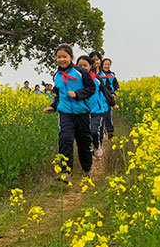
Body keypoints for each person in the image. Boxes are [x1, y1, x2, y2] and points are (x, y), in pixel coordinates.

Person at [43, 43, 95, 176]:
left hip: (82, 113)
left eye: (64, 56)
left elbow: (91, 89)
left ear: (71, 57)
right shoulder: (57, 76)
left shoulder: (81, 72)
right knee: (65, 139)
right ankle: (65, 172)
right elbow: (59, 95)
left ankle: (87, 169)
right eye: (59, 57)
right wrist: (53, 107)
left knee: (84, 143)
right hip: (65, 114)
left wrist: (77, 94)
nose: (61, 59)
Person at [76, 55, 114, 157]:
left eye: (85, 65)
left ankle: (97, 145)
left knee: (94, 130)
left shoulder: (97, 78)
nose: (83, 67)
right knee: (84, 134)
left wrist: (112, 103)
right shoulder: (74, 80)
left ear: (90, 66)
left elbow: (105, 90)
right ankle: (87, 153)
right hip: (81, 111)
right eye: (80, 65)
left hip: (96, 110)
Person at [98, 57, 120, 139]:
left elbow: (115, 83)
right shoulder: (99, 74)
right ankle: (102, 131)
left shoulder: (112, 75)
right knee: (101, 115)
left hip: (109, 95)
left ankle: (110, 131)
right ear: (102, 65)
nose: (107, 66)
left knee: (108, 113)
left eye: (108, 64)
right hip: (101, 96)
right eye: (105, 64)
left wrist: (116, 89)